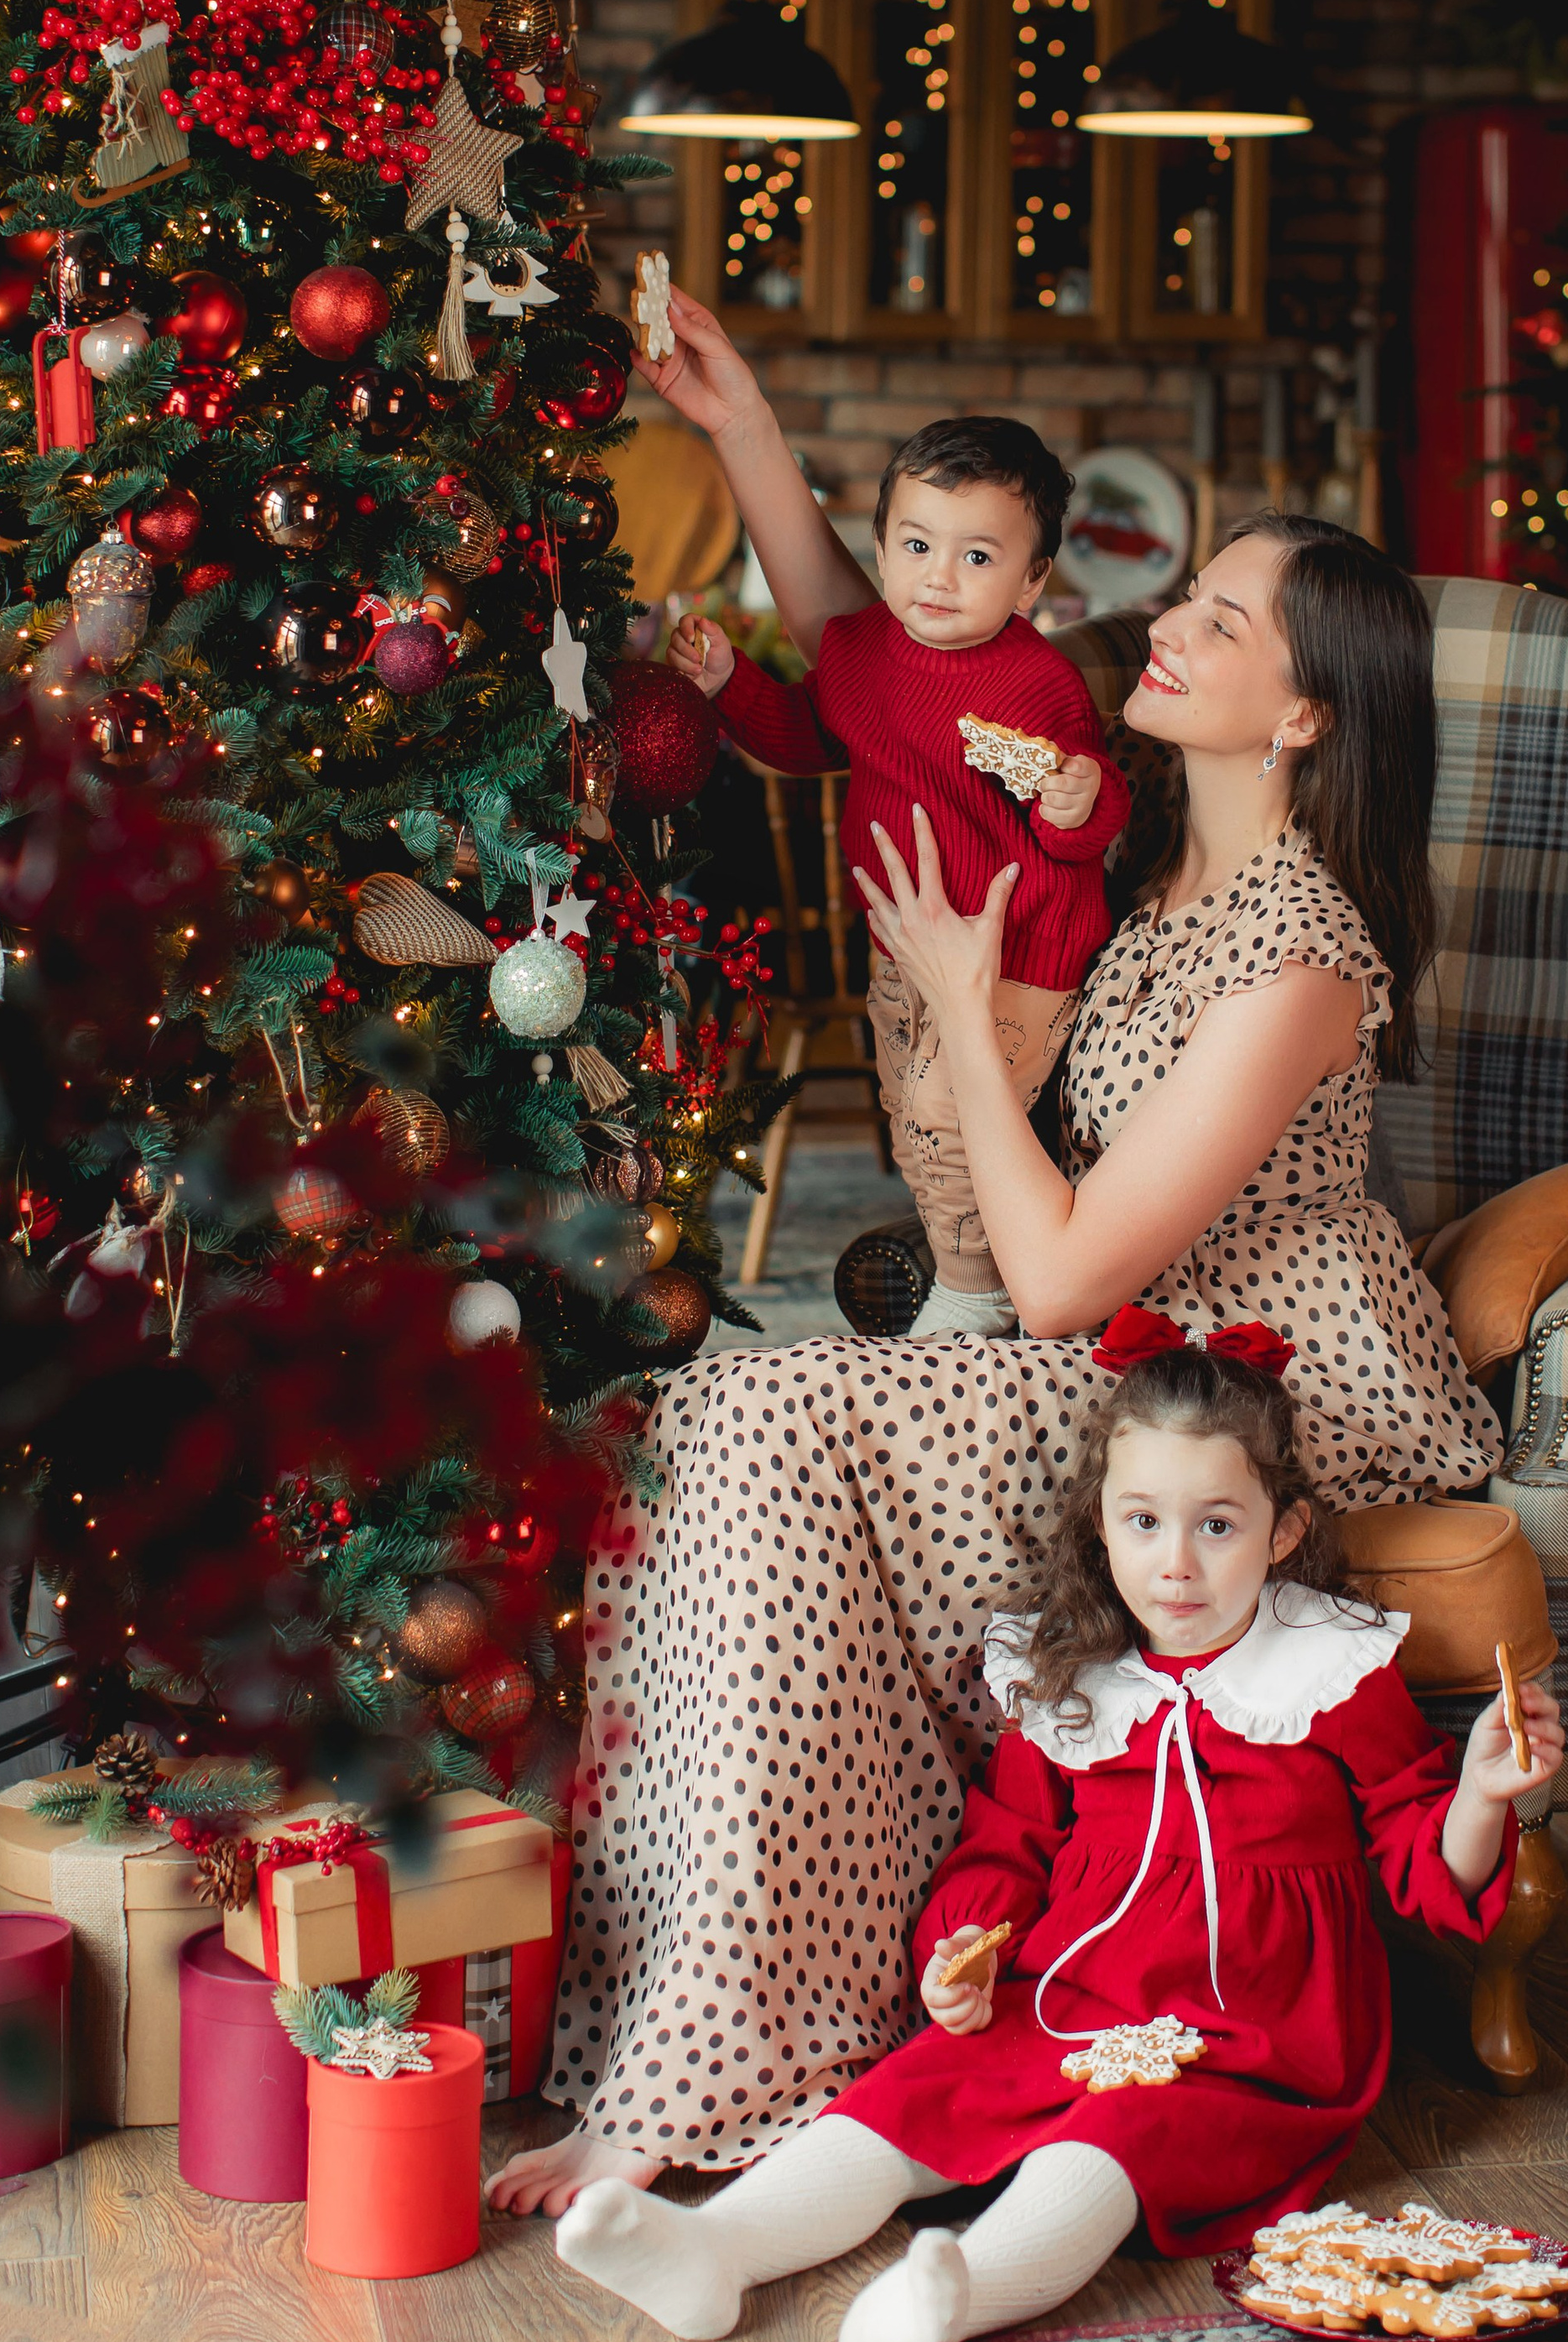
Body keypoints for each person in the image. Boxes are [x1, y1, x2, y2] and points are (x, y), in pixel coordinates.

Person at [487, 287, 1505, 2221]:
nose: (1166, 621)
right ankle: (704, 2040)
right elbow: (879, 655)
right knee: (715, 1416)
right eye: (1182, 593)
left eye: (1220, 620)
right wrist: (741, 425)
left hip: (1248, 1393)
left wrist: (960, 1008)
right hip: (1108, 1347)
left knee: (773, 1416)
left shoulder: (1298, 953)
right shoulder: (1130, 841)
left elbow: (1055, 1289)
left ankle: (741, 2061)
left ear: (1301, 714)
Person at [552, 1329, 1560, 2342]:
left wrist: (1480, 1793)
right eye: (1143, 1522)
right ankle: (717, 2249)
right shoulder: (1068, 1674)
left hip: (1260, 2029)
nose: (1176, 1563)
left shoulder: (1333, 1664)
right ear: (1101, 1525)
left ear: (1283, 1530)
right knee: (919, 2085)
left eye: (1217, 1526)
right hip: (1070, 1994)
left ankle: (964, 2292)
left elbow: (1416, 1853)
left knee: (1113, 2140)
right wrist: (965, 1947)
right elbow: (1009, 1846)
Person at [665, 415, 1128, 1338]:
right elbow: (811, 736)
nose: (939, 577)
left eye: (978, 557)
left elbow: (1087, 811)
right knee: (911, 1119)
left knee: (949, 1114)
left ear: (1032, 581)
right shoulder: (858, 649)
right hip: (902, 938)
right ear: (879, 549)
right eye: (917, 546)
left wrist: (1079, 801)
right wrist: (731, 686)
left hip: (1018, 949)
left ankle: (972, 1295)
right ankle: (982, 1265)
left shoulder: (1036, 685)